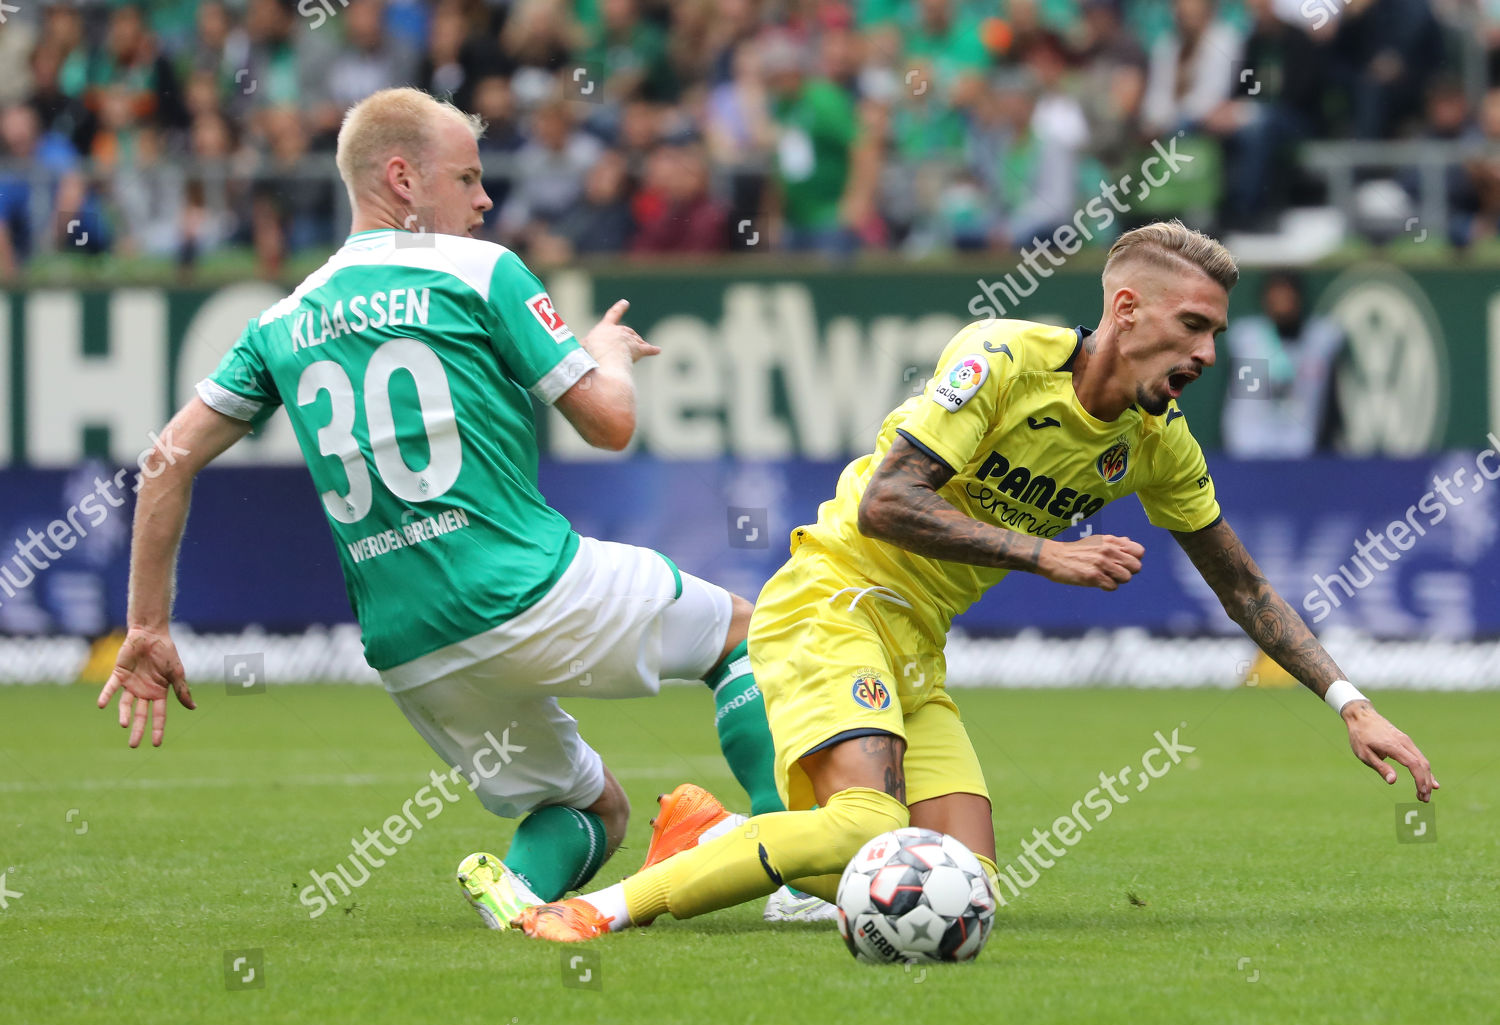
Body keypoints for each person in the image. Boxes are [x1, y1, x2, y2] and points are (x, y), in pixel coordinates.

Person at [512, 219, 1439, 942]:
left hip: (916, 643)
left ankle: (713, 840)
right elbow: (886, 503)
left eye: (1214, 333)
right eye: (1192, 325)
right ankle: (603, 912)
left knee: (964, 889)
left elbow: (1243, 585)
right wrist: (1044, 553)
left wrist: (1349, 702)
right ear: (1125, 310)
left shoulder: (1157, 445)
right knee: (859, 827)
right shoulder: (1003, 358)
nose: (1206, 353)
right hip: (833, 598)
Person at [95, 87, 781, 930]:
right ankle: (784, 862)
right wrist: (606, 352)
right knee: (748, 637)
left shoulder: (281, 319)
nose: (486, 199)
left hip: (413, 648)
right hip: (525, 589)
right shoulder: (480, 269)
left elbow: (165, 459)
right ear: (402, 179)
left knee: (593, 810)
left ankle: (522, 896)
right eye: (468, 177)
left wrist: (147, 627)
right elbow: (610, 423)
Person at [1221, 269, 1344, 458]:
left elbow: (1330, 405)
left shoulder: (1320, 340)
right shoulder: (1248, 340)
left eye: (1287, 293)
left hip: (1302, 448)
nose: (1281, 301)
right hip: (1249, 448)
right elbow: (1243, 401)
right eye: (1275, 293)